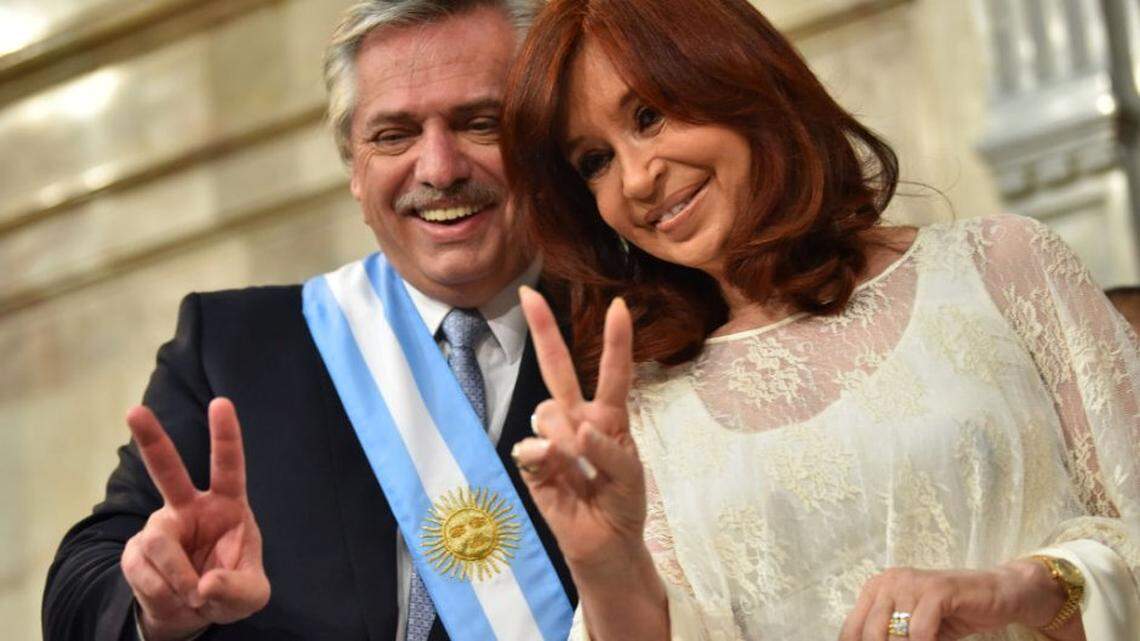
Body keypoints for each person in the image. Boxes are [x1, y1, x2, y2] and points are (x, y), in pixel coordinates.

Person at [499, 0, 1140, 640]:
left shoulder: (1004, 267)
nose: (636, 179)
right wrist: (605, 566)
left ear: (738, 75)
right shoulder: (644, 410)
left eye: (649, 116)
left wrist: (1027, 590)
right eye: (594, 161)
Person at [41, 1, 577, 640]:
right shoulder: (232, 347)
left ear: (544, 135)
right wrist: (157, 607)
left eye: (480, 123)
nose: (439, 169)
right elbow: (78, 590)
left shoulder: (648, 330)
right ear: (355, 170)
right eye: (393, 135)